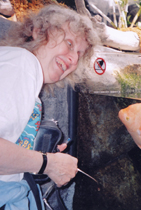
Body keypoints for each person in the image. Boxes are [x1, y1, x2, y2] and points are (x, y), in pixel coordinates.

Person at [0, 3, 99, 208]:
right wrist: (48, 164)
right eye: (70, 44)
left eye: (79, 55)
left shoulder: (19, 69)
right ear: (38, 31)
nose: (73, 60)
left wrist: (39, 152)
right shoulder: (23, 64)